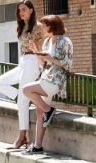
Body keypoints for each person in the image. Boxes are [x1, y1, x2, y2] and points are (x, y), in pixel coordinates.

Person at [0, 0, 42, 149]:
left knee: (22, 103)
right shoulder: (21, 27)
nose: (21, 13)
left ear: (31, 10)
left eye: (24, 9)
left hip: (33, 61)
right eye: (19, 10)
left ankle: (22, 137)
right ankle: (21, 96)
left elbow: (40, 46)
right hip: (23, 61)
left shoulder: (38, 27)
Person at [20, 14, 73, 154]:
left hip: (56, 80)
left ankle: (49, 110)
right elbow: (43, 64)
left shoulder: (64, 42)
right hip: (46, 77)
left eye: (44, 25)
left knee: (26, 90)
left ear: (51, 26)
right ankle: (37, 146)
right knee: (39, 111)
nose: (42, 28)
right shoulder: (47, 42)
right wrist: (36, 51)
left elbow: (67, 65)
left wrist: (52, 58)